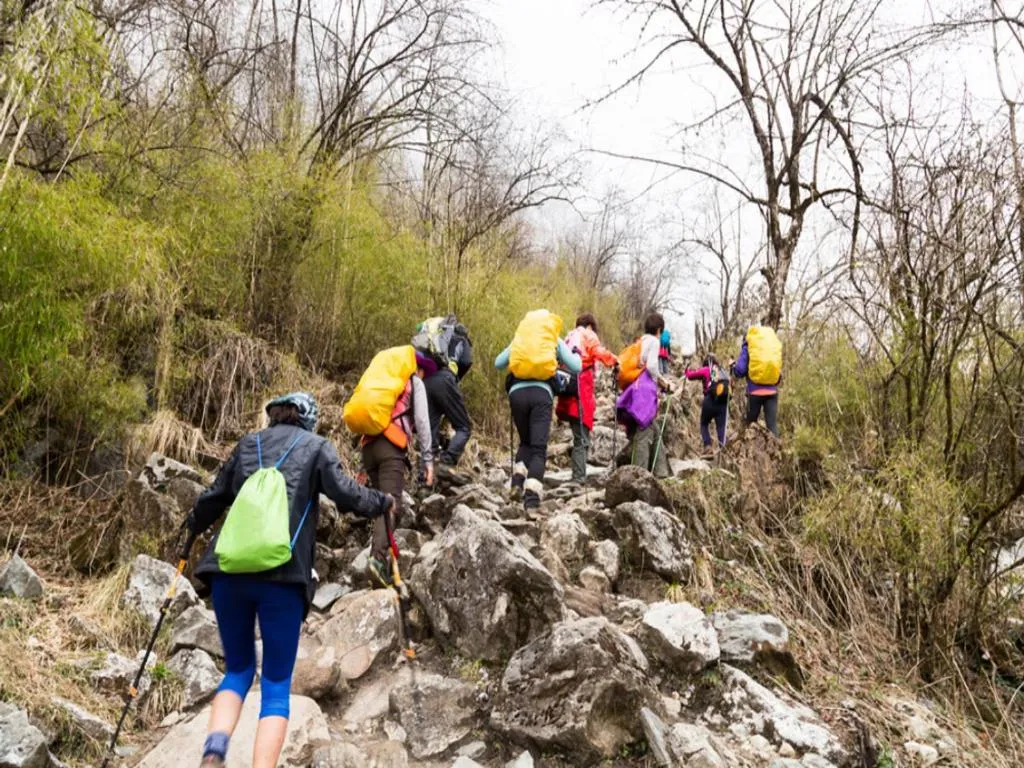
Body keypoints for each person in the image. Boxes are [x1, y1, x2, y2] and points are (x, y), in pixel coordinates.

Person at [186, 392, 393, 768]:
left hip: (228, 571)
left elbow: (214, 497)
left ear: (274, 418)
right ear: (308, 420)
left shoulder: (249, 444)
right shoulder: (316, 446)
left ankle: (214, 752)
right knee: (276, 687)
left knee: (237, 670)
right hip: (281, 576)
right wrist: (382, 502)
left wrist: (191, 528)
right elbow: (346, 494)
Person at [495, 310, 582, 509]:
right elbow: (576, 367)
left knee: (525, 442)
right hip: (541, 395)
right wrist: (576, 352)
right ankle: (532, 500)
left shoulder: (519, 339)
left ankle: (517, 483)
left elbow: (498, 363)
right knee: (538, 449)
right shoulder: (552, 338)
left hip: (516, 394)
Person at [363, 352, 435, 586]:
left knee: (379, 505)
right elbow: (422, 422)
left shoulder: (384, 382)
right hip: (390, 446)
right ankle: (377, 561)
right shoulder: (414, 382)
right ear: (418, 368)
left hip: (368, 447)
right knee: (391, 503)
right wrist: (428, 460)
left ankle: (379, 562)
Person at [555, 313, 618, 483]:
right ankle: (579, 478)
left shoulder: (568, 337)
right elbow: (599, 352)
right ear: (590, 325)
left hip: (567, 389)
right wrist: (615, 360)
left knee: (577, 434)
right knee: (582, 437)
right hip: (581, 388)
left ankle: (577, 475)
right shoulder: (587, 334)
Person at [621, 312, 673, 477]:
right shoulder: (654, 341)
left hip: (634, 389)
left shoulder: (641, 341)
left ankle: (661, 473)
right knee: (644, 429)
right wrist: (663, 381)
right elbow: (651, 366)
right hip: (644, 391)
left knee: (654, 429)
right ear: (659, 330)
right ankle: (639, 476)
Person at [422, 322, 473, 467]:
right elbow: (466, 361)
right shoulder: (461, 340)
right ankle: (446, 462)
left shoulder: (437, 339)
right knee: (464, 427)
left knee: (430, 431)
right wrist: (456, 377)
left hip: (426, 380)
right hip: (445, 379)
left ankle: (425, 479)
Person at [732, 327, 781, 437]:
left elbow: (740, 370)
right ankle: (776, 452)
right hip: (772, 392)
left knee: (749, 424)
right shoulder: (769, 348)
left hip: (755, 392)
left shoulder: (748, 345)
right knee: (772, 426)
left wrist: (733, 368)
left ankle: (747, 452)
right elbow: (778, 375)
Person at [684, 353, 731, 454]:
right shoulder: (723, 371)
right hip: (723, 403)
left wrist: (686, 370)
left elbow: (690, 376)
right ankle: (724, 452)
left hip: (709, 400)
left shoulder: (706, 369)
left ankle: (708, 446)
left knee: (704, 424)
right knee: (721, 427)